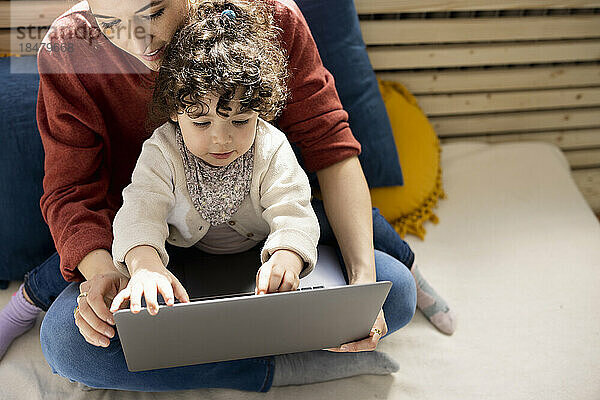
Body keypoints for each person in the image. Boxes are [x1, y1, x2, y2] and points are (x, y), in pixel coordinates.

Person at [0, 0, 453, 390]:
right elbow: (72, 192)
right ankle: (278, 370)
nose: (139, 43)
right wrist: (114, 274)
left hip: (259, 230)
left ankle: (379, 281)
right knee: (70, 348)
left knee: (394, 295)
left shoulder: (269, 19)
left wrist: (356, 287)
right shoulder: (72, 50)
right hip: (159, 242)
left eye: (154, 12)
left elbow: (329, 151)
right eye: (111, 24)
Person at [107, 6, 320, 317]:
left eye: (240, 121)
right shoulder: (162, 150)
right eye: (202, 123)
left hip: (257, 256)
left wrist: (287, 255)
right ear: (174, 112)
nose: (221, 139)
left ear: (260, 111)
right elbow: (141, 211)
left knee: (342, 226)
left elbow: (293, 209)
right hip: (188, 256)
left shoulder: (270, 147)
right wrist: (146, 265)